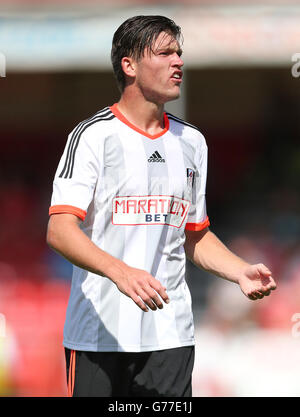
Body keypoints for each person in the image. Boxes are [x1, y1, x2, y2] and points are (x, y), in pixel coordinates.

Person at [46, 15, 277, 397]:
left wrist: (239, 271)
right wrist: (121, 272)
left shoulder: (192, 142)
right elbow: (59, 230)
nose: (178, 61)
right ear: (129, 65)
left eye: (179, 53)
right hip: (98, 336)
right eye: (165, 52)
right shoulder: (92, 136)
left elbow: (194, 234)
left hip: (169, 336)